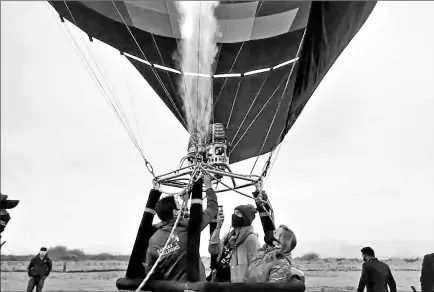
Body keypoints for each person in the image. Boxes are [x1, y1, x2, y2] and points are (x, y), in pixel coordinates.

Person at [144, 174, 218, 281]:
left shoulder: (153, 240)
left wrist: (186, 201)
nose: (182, 207)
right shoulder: (190, 228)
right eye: (180, 206)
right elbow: (212, 209)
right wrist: (209, 186)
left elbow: (150, 270)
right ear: (175, 212)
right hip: (194, 287)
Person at [208, 204, 260, 283]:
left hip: (235, 287)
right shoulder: (227, 237)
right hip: (218, 283)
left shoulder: (251, 239)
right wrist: (218, 226)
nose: (234, 215)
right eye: (234, 213)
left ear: (245, 218)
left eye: (238, 213)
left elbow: (255, 268)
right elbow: (212, 250)